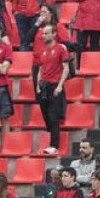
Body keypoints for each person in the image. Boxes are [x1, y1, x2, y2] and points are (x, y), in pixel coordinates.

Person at [32, 22, 70, 155]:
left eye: (47, 33)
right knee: (46, 116)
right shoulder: (41, 51)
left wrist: (60, 85)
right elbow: (40, 70)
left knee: (53, 117)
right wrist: (37, 86)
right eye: (43, 33)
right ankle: (52, 139)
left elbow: (66, 68)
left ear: (54, 34)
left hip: (54, 86)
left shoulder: (61, 48)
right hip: (43, 87)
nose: (43, 36)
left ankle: (54, 145)